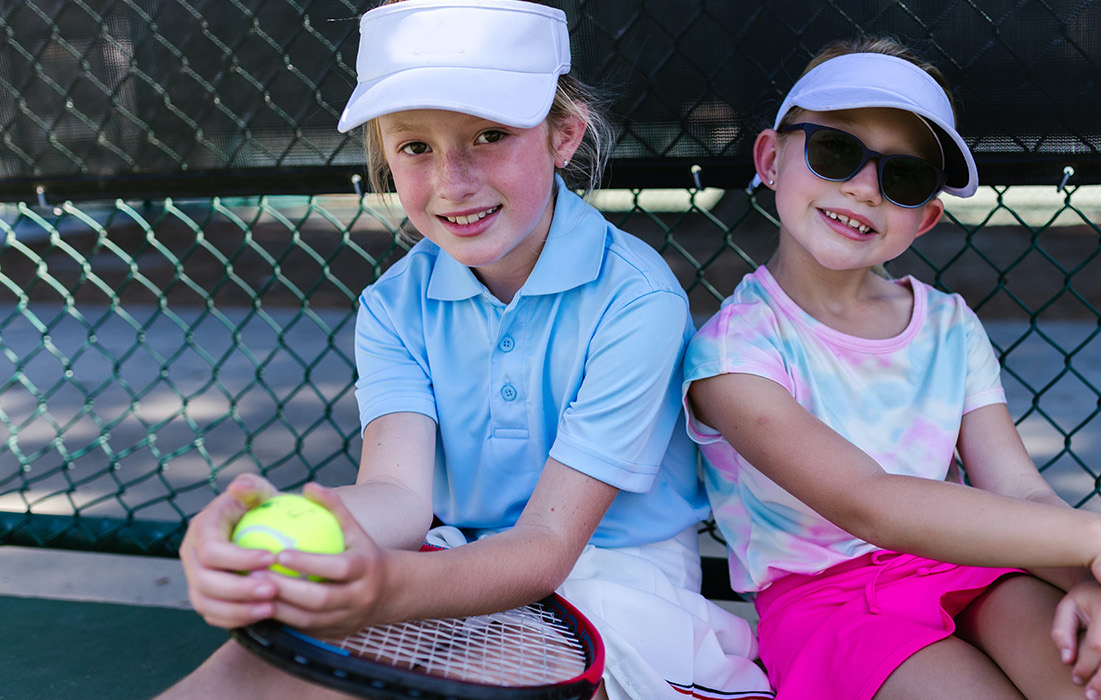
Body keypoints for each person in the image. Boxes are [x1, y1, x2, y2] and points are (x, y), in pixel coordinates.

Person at [159, 2, 771, 699]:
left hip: (613, 576)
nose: (453, 181)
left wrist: (386, 587)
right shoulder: (393, 306)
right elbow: (399, 495)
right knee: (242, 677)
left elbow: (544, 548)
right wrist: (269, 539)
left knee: (452, 676)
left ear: (563, 136)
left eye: (489, 135)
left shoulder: (638, 303)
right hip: (453, 557)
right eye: (415, 146)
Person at [682, 37, 1101, 700]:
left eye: (904, 176)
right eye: (835, 151)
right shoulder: (732, 353)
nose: (863, 189)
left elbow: (1019, 493)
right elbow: (870, 505)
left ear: (927, 218)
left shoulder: (946, 324)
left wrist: (1095, 588)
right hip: (832, 608)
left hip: (970, 566)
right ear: (771, 159)